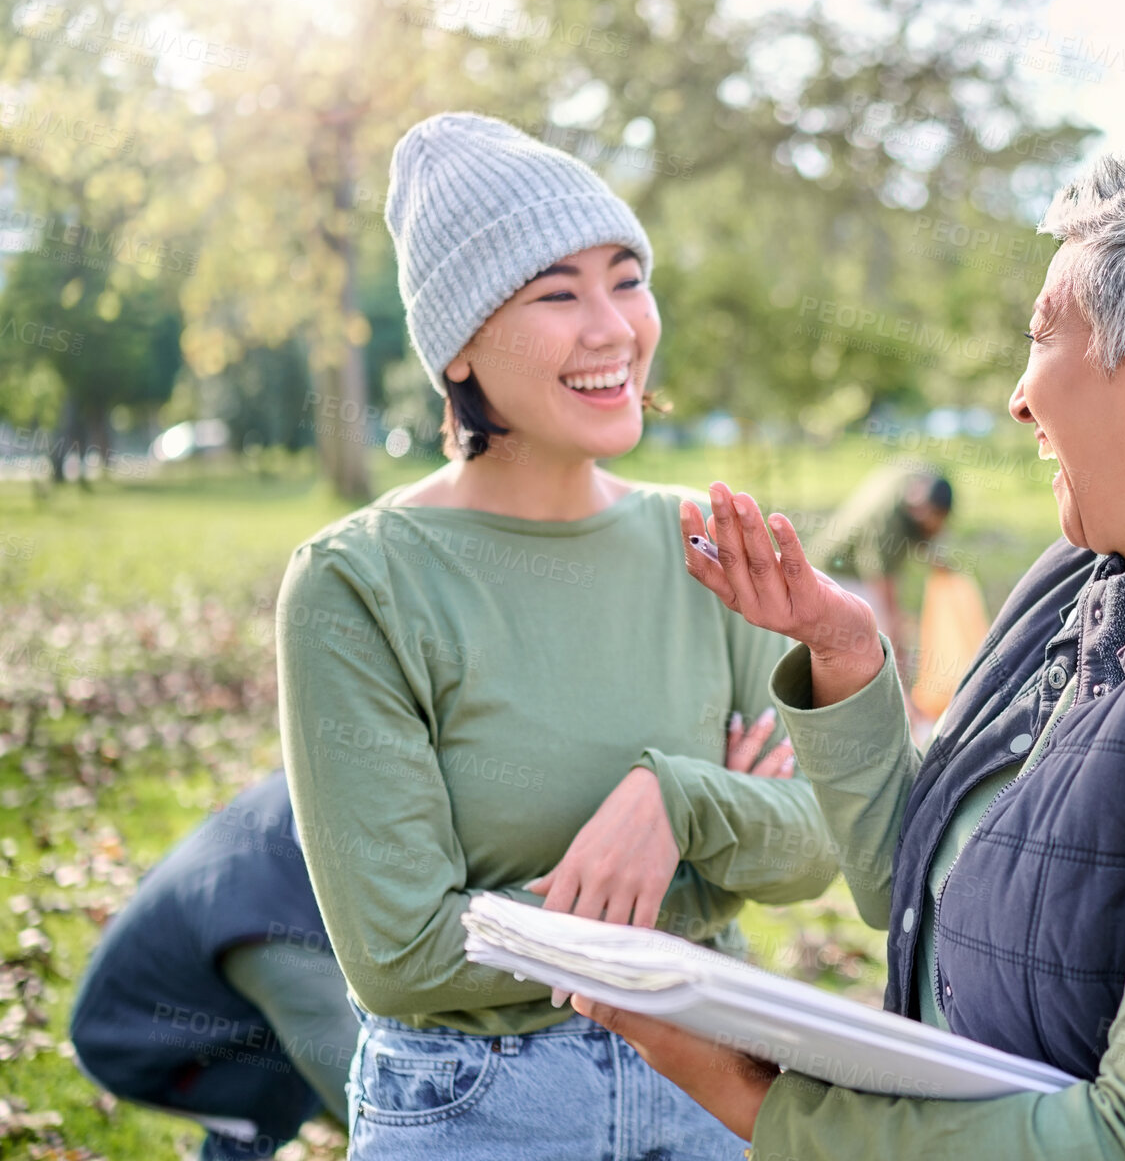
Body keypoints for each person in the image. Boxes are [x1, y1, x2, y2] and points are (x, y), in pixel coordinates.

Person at [573, 126, 1125, 1161]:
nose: (1017, 394)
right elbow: (926, 884)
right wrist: (848, 655)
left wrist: (765, 1102)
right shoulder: (1074, 580)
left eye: (1044, 333)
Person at [274, 112, 837, 1160]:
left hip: (716, 1088)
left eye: (626, 277)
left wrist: (679, 796)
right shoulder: (359, 583)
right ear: (458, 348)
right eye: (555, 292)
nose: (612, 327)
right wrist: (701, 883)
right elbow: (403, 951)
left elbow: (812, 843)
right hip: (476, 1108)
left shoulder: (705, 542)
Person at [69, 770, 358, 1161]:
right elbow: (372, 1097)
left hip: (208, 983)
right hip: (133, 1042)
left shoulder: (322, 783)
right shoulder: (275, 939)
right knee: (290, 1082)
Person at [805, 466, 953, 661]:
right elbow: (884, 594)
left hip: (858, 563)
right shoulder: (886, 525)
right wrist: (898, 656)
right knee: (872, 633)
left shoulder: (917, 476)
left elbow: (929, 530)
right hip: (838, 571)